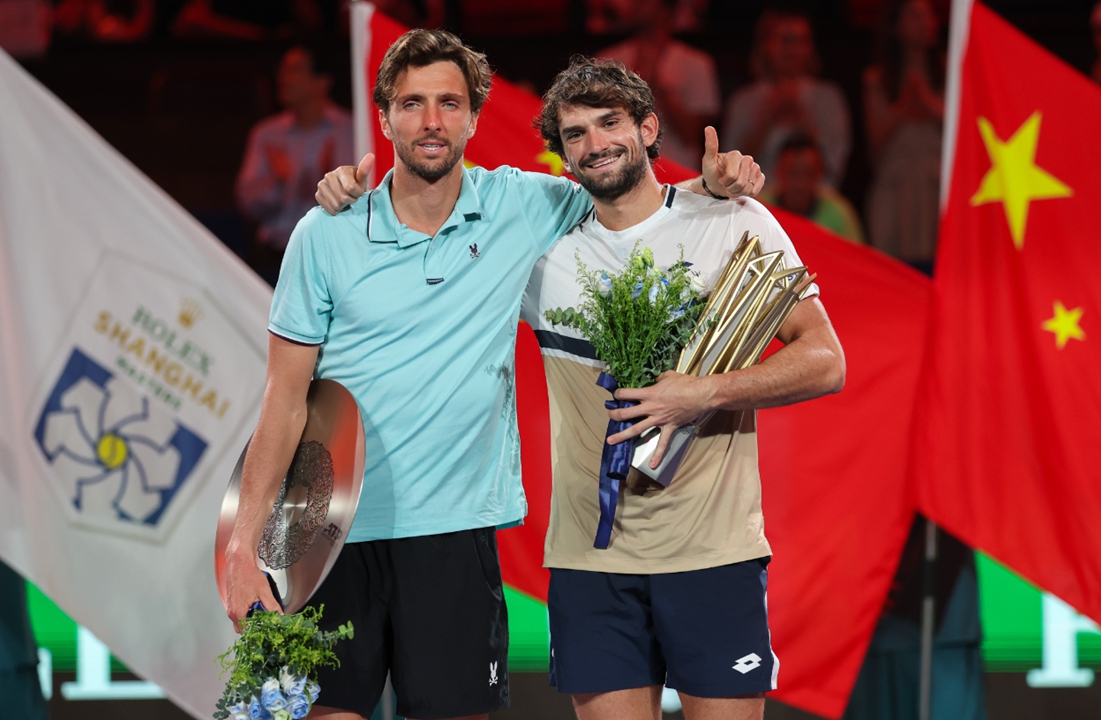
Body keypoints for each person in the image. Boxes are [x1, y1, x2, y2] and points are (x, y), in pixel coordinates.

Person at [228, 29, 763, 720]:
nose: (431, 121)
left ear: (473, 118)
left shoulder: (528, 206)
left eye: (449, 103)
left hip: (455, 535)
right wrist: (245, 543)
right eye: (412, 103)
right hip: (327, 539)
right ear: (384, 115)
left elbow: (628, 191)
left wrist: (710, 187)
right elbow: (285, 397)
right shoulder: (324, 232)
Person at [521, 56, 845, 720]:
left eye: (609, 123)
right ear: (562, 156)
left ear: (648, 128)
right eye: (575, 134)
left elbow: (825, 360)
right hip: (591, 563)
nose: (594, 144)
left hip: (712, 553)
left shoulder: (732, 221)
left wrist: (703, 394)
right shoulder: (539, 251)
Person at [236, 45, 354, 284]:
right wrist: (278, 183)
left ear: (322, 81)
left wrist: (333, 188)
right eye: (283, 70)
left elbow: (371, 200)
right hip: (276, 259)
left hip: (336, 259)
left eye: (294, 70)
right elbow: (247, 203)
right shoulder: (267, 134)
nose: (283, 78)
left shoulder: (351, 130)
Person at [723, 9, 852, 189]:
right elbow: (730, 170)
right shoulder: (743, 100)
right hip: (757, 203)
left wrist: (801, 119)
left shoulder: (828, 97)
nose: (792, 49)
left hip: (812, 205)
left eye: (800, 41)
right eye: (784, 40)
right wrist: (767, 119)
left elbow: (834, 164)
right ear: (766, 45)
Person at [862, 0, 943, 274]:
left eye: (928, 15)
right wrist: (904, 108)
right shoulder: (878, 79)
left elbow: (965, 133)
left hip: (937, 191)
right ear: (896, 25)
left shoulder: (949, 71)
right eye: (915, 15)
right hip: (895, 192)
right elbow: (874, 148)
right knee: (895, 273)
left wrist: (929, 103)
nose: (925, 23)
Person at [597, 0, 721, 169]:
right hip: (622, 172)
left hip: (678, 173)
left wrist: (660, 91)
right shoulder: (606, 61)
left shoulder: (697, 63)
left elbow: (693, 136)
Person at [768, 135, 863, 243]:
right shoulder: (759, 209)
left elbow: (855, 255)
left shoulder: (839, 214)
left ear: (820, 173)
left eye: (808, 174)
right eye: (793, 173)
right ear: (778, 171)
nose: (801, 183)